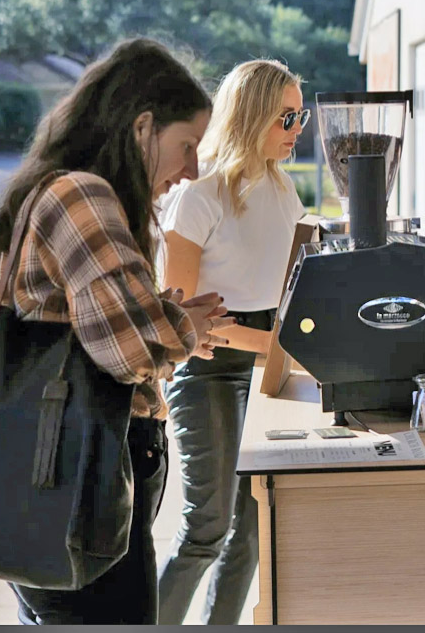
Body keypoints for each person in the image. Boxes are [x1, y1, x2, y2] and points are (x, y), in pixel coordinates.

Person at [0, 38, 232, 625]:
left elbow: (82, 322)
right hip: (82, 477)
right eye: (187, 146)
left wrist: (164, 317)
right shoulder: (84, 194)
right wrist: (182, 327)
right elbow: (131, 351)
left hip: (42, 475)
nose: (192, 169)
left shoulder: (52, 187)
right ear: (143, 127)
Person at [157, 59, 307, 625]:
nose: (297, 129)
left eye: (301, 117)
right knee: (207, 528)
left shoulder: (282, 188)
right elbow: (180, 315)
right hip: (209, 369)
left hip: (267, 368)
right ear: (253, 114)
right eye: (286, 117)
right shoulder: (198, 194)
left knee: (251, 531)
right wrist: (273, 345)